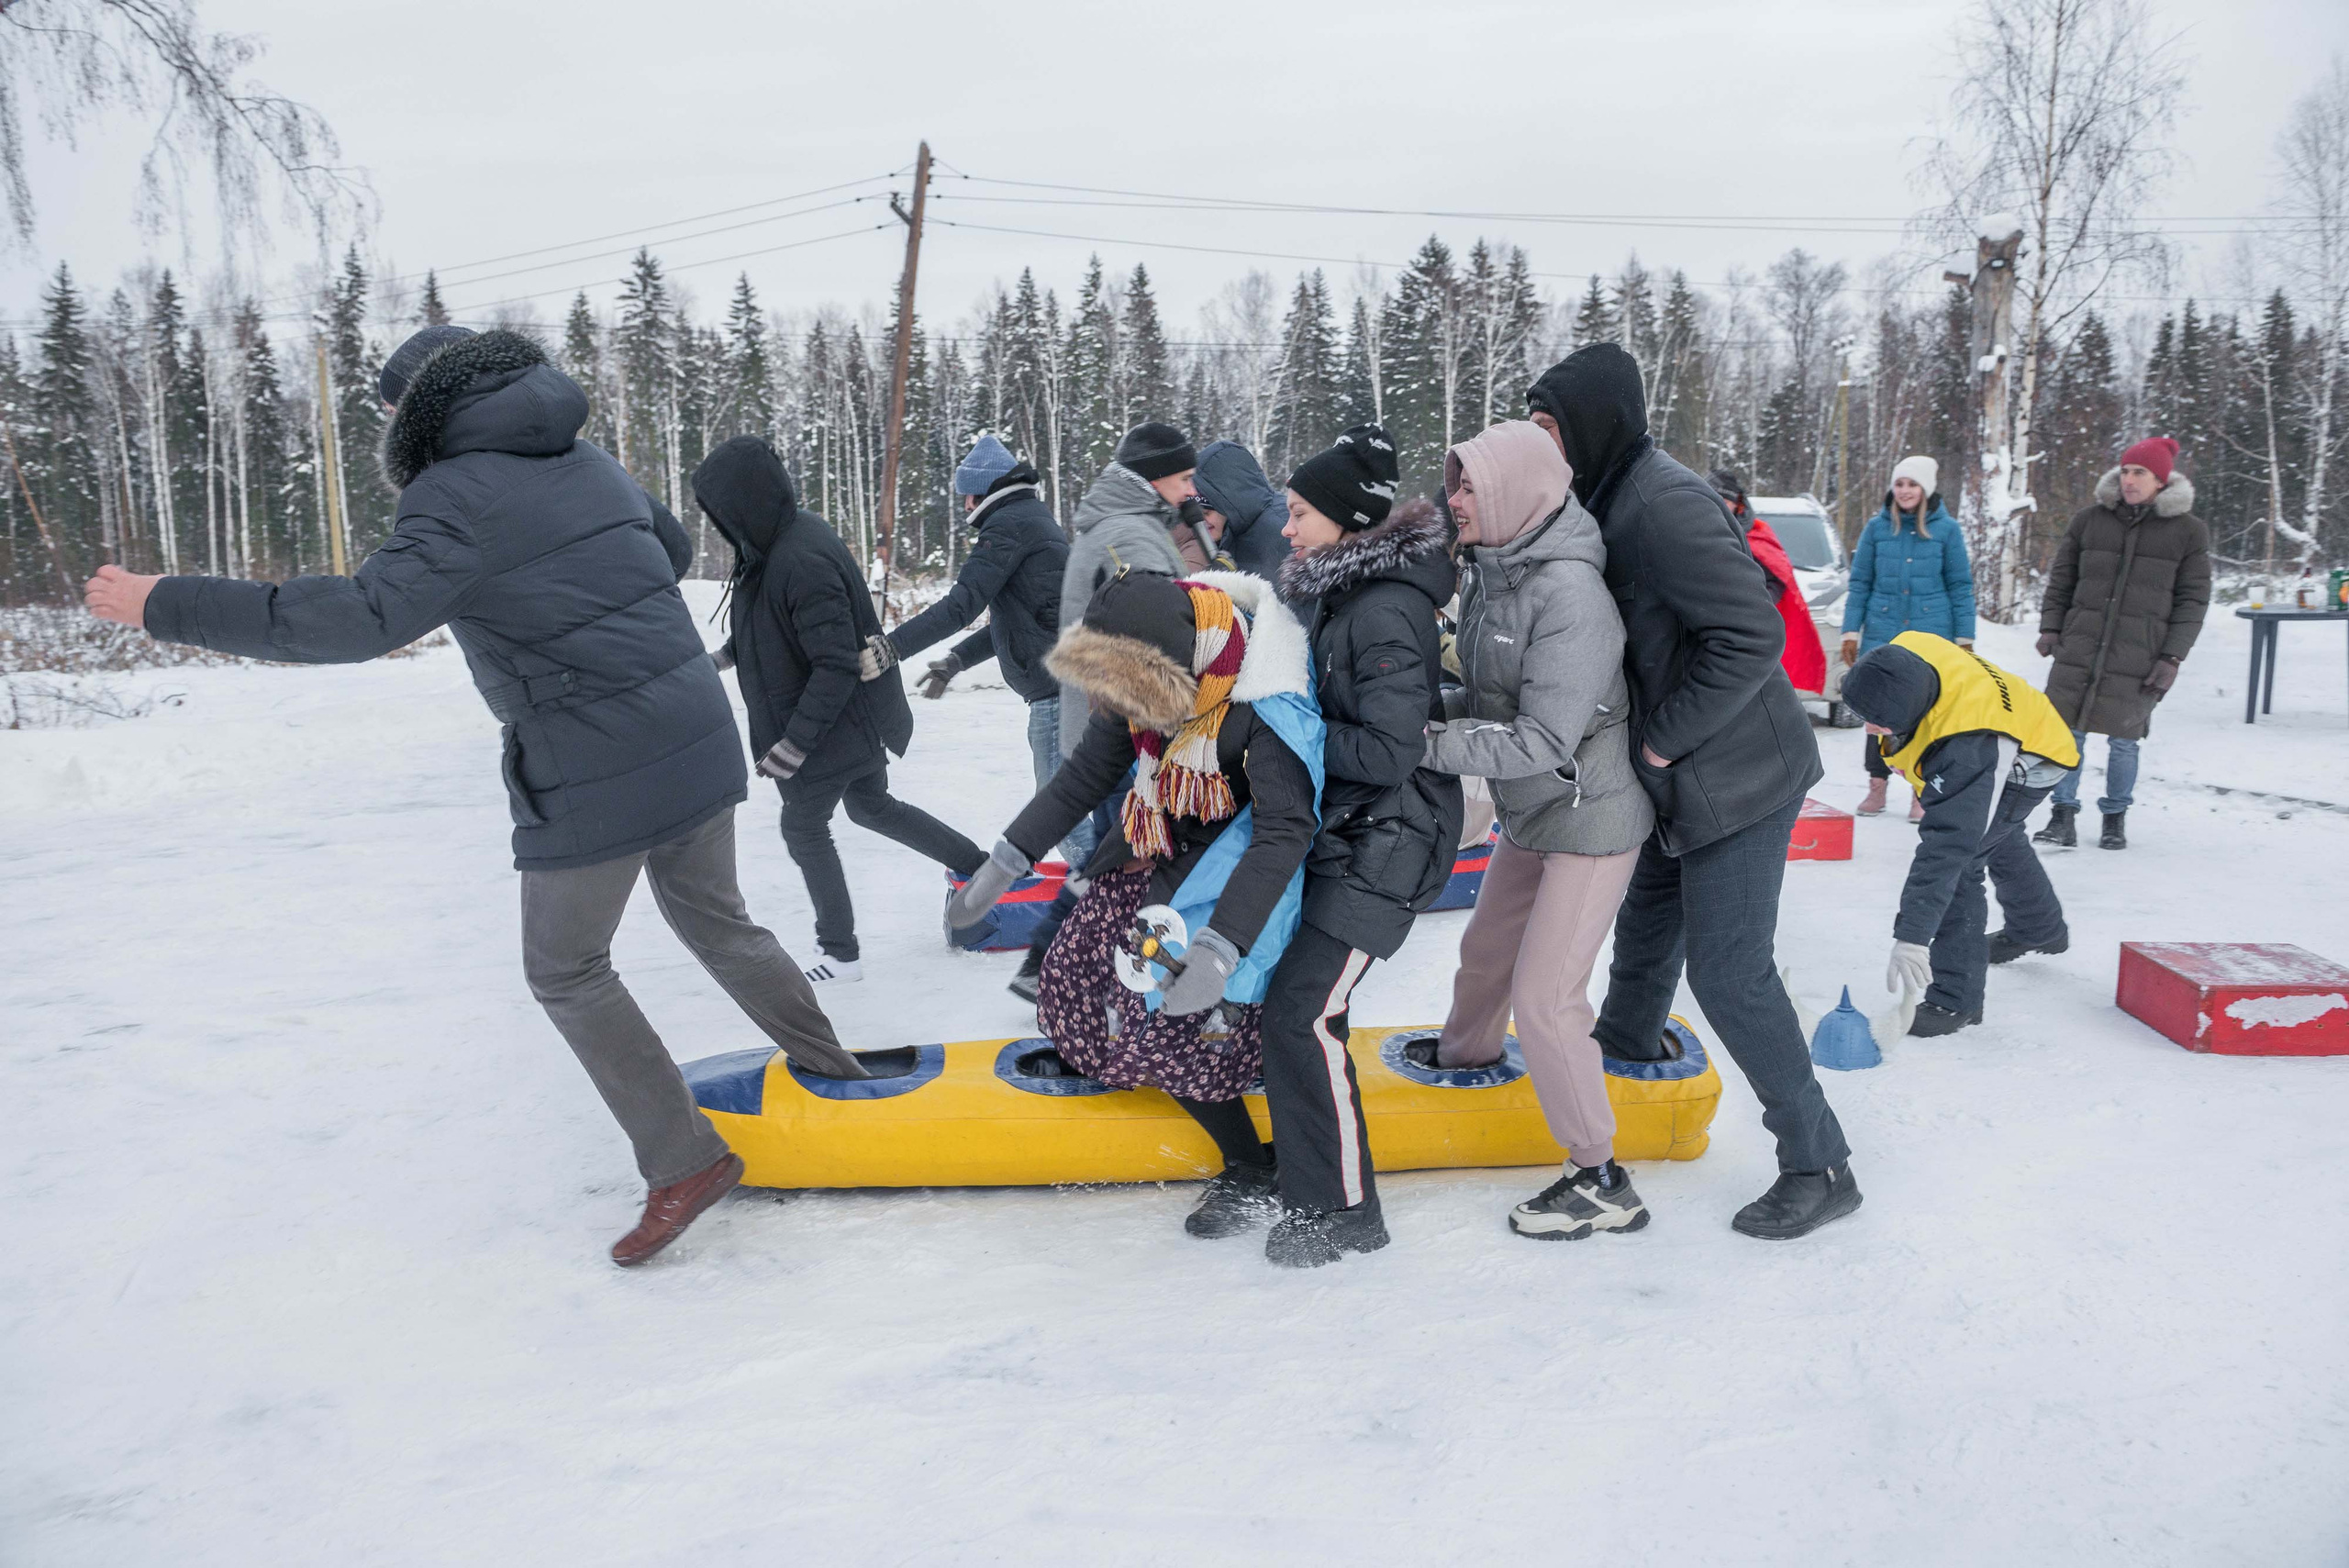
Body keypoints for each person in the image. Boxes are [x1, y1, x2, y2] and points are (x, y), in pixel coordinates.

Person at [80, 325, 864, 1268]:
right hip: (690, 721)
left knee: (567, 966)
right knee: (716, 918)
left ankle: (684, 1160)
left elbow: (363, 617)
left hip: (592, 750)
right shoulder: (586, 459)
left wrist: (166, 601)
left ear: (421, 409)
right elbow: (660, 545)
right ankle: (834, 1072)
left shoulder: (451, 493)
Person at [1526, 342, 1856, 1241]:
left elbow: (1749, 635)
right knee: (1644, 928)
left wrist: (1664, 741)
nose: (1540, 442)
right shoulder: (1605, 494)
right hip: (1683, 779)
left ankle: (1818, 1162)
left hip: (1738, 777)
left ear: (1594, 420)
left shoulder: (1664, 503)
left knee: (1728, 970)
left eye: (1550, 425)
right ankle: (1624, 1060)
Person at [947, 569, 1322, 1247]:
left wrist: (1221, 944)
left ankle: (1247, 1163)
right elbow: (1086, 774)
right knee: (1079, 970)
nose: (1124, 712)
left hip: (1240, 874)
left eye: (1134, 699)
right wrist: (1007, 856)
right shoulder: (1148, 682)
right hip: (1163, 847)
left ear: (1172, 674)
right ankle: (1124, 1056)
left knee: (1182, 1012)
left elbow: (1285, 831)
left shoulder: (1264, 700)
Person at [1424, 421, 1655, 1240]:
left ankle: (1600, 1175)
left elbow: (1541, 740)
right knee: (1486, 950)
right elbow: (1489, 703)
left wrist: (1418, 744)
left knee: (1547, 999)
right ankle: (1466, 1063)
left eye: (1468, 487)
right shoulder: (1492, 575)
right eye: (1454, 484)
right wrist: (1414, 708)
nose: (1454, 500)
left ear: (1515, 492)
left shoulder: (1571, 596)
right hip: (1534, 806)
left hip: (1590, 817)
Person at [1238, 424, 1462, 1265]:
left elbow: (1390, 749)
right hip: (1357, 836)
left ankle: (1343, 1212)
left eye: (1298, 514)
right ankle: (1319, 1190)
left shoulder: (1387, 609)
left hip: (1391, 842)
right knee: (1295, 1012)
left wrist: (1286, 738)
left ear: (1344, 520)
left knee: (1305, 1013)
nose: (1286, 528)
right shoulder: (1345, 597)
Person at [694, 434, 985, 986]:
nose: (720, 525)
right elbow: (774, 631)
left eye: (723, 512)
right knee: (873, 807)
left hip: (829, 727)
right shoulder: (775, 545)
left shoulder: (799, 559)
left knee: (804, 828)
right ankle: (979, 867)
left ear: (746, 501)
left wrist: (795, 743)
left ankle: (841, 953)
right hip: (848, 722)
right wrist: (722, 658)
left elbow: (833, 665)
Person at [1016, 424, 1218, 1000]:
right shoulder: (1129, 539)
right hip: (1127, 735)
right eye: (1183, 479)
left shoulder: (1122, 528)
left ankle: (1049, 966)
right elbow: (1162, 638)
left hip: (1111, 728)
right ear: (1152, 479)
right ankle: (1061, 972)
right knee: (1122, 864)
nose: (1190, 491)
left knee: (1113, 859)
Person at [1842, 634, 2077, 1035]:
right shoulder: (1904, 653)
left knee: (1965, 863)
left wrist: (1913, 936)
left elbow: (1949, 846)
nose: (1869, 729)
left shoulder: (1968, 746)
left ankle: (1955, 1001)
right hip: (2018, 723)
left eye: (1879, 721)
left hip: (2033, 760)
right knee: (1997, 836)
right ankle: (2039, 928)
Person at [2031, 437, 2210, 851]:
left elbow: (2193, 600)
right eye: (2125, 471)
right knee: (2065, 733)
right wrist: (2052, 627)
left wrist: (2172, 656)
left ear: (2160, 481)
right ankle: (2062, 815)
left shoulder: (2188, 532)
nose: (2129, 480)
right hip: (2081, 645)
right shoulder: (2090, 520)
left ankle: (2115, 818)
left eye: (2140, 473)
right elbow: (2062, 579)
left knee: (2124, 740)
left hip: (2139, 652)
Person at [867, 432, 1068, 788]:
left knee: (1060, 818)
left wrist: (892, 648)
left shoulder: (1008, 525)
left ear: (986, 491)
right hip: (1063, 686)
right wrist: (957, 660)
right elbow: (1023, 623)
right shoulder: (1031, 517)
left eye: (967, 496)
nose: (964, 506)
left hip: (1054, 694)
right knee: (1076, 811)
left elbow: (960, 606)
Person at [1838, 457, 1976, 822]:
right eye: (1899, 484)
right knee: (1876, 713)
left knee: (1925, 715)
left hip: (1933, 634)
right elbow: (1860, 582)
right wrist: (1851, 631)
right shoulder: (1876, 529)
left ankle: (1920, 789)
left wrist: (1964, 639)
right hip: (1883, 631)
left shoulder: (1946, 530)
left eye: (1912, 484)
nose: (1904, 491)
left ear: (1926, 489)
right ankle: (1877, 787)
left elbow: (1960, 585)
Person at [1709, 469, 1827, 700]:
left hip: (1743, 625)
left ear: (1738, 505)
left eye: (1726, 500)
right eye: (1715, 498)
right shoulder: (1688, 526)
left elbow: (1777, 578)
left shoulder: (1757, 533)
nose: (1721, 505)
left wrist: (1755, 603)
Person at [1194, 439, 1297, 585]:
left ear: (1232, 499)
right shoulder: (1227, 534)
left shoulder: (1284, 533)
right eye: (1196, 507)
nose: (1202, 518)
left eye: (1208, 508)